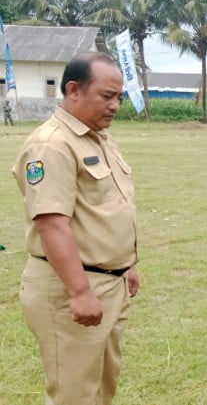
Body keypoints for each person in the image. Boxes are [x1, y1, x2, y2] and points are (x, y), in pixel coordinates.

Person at [11, 52, 140, 405]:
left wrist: (125, 265)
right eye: (106, 96)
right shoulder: (51, 144)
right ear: (73, 90)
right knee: (75, 396)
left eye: (118, 97)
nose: (115, 105)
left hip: (109, 282)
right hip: (70, 286)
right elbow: (52, 224)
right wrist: (80, 292)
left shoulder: (97, 139)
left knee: (101, 387)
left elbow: (102, 210)